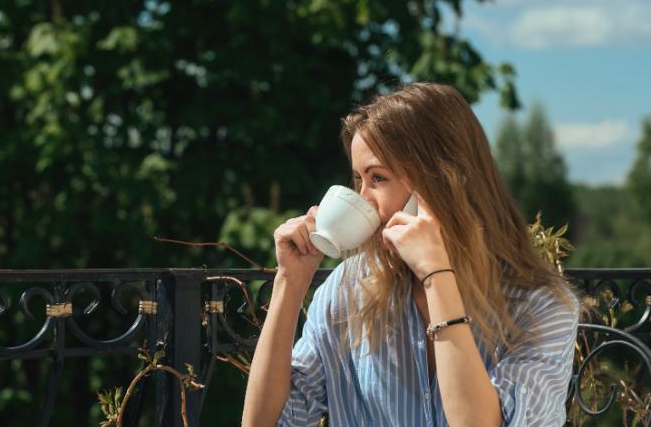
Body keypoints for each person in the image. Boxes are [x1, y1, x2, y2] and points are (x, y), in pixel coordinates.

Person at [241, 82, 582, 427]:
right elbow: (264, 422)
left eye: (378, 178)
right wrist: (290, 281)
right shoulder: (347, 290)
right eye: (359, 179)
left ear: (444, 183)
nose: (363, 199)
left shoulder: (540, 306)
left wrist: (436, 276)